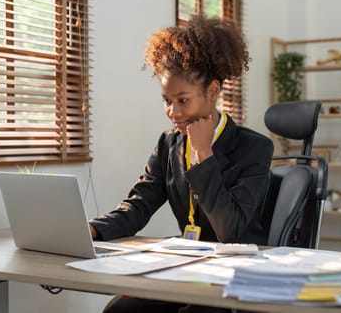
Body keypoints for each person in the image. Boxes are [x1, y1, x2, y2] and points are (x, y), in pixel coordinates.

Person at [89, 15, 274, 313]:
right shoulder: (169, 144)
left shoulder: (254, 148)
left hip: (235, 268)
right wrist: (93, 229)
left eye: (183, 100)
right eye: (166, 100)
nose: (172, 112)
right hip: (187, 264)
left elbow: (231, 231)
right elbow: (139, 205)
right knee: (120, 311)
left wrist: (203, 153)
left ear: (212, 91)